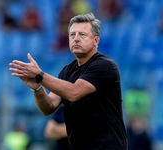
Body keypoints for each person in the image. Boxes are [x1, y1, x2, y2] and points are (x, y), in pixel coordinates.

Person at [9, 13, 128, 150]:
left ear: (96, 40)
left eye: (82, 35)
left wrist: (40, 76)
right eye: (72, 35)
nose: (76, 39)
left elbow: (74, 92)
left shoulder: (104, 65)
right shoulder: (67, 71)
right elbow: (49, 107)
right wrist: (37, 88)